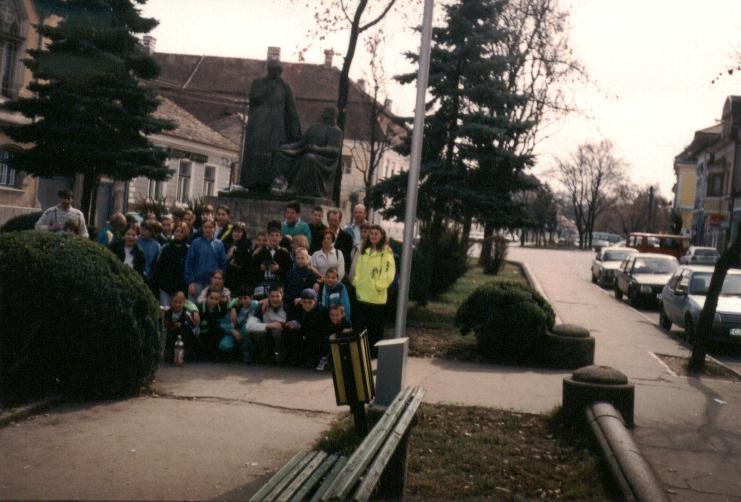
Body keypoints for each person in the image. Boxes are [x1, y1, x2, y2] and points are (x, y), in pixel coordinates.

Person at [240, 58, 301, 190]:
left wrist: (295, 132)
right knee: (256, 155)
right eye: (272, 70)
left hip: (276, 129)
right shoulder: (258, 83)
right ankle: (253, 183)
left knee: (274, 156)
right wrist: (270, 88)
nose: (275, 73)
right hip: (259, 127)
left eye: (277, 71)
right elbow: (254, 99)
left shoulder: (285, 87)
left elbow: (291, 110)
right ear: (268, 70)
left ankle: (271, 183)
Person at [281, 107, 342, 199]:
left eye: (329, 118)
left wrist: (317, 149)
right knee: (284, 155)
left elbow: (334, 150)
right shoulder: (314, 127)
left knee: (309, 158)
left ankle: (296, 186)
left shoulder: (336, 131)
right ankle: (279, 184)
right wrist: (288, 146)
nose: (326, 120)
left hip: (324, 161)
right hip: (305, 153)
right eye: (325, 117)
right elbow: (301, 142)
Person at [352, 225, 396, 354]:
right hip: (362, 296)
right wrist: (357, 282)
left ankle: (374, 355)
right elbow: (358, 270)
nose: (373, 236)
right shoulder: (365, 251)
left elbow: (388, 272)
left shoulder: (386, 252)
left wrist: (378, 286)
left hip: (376, 298)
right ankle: (362, 355)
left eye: (376, 234)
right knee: (362, 329)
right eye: (371, 234)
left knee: (375, 330)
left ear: (382, 236)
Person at [284, 289, 331, 368]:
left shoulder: (322, 311)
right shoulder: (297, 307)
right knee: (290, 330)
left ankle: (314, 359)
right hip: (304, 333)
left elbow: (323, 331)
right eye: (304, 302)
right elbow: (289, 319)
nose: (307, 305)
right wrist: (294, 323)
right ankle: (294, 357)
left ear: (315, 302)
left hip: (317, 338)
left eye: (310, 302)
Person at [184, 219, 227, 302]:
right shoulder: (195, 243)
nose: (208, 229)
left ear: (214, 228)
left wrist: (219, 283)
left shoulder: (219, 244)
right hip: (196, 282)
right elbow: (189, 263)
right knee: (194, 307)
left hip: (212, 284)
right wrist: (190, 282)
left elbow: (223, 265)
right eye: (205, 227)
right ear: (202, 228)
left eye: (210, 227)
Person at [252, 220, 292, 299]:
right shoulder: (259, 253)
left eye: (277, 235)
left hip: (278, 289)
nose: (274, 238)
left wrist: (278, 270)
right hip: (261, 288)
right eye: (272, 235)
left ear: (281, 238)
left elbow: (289, 274)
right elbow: (252, 272)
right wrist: (261, 269)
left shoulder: (285, 254)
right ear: (267, 237)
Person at [247, 285, 288, 363]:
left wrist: (281, 324)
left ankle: (281, 353)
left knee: (277, 330)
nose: (275, 299)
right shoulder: (262, 306)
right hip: (267, 335)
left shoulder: (287, 307)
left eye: (277, 296)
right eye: (272, 296)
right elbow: (249, 325)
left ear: (282, 295)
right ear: (268, 296)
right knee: (256, 332)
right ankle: (264, 352)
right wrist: (268, 325)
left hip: (282, 336)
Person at [153, 222, 190, 308]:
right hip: (165, 287)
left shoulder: (189, 250)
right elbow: (158, 268)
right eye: (177, 231)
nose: (179, 234)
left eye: (181, 232)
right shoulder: (166, 248)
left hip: (181, 288)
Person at [220, 289, 258, 363]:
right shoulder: (234, 307)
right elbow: (223, 324)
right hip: (235, 332)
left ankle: (247, 352)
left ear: (251, 297)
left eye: (245, 298)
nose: (243, 301)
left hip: (248, 333)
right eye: (240, 299)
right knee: (224, 345)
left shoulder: (255, 305)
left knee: (247, 327)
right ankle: (235, 353)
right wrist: (232, 330)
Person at [163, 291, 198, 363]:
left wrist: (181, 325)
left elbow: (192, 327)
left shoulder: (186, 313)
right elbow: (166, 326)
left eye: (180, 302)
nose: (177, 304)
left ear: (184, 303)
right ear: (171, 302)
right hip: (171, 338)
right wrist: (174, 326)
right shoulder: (167, 313)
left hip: (184, 339)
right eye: (175, 302)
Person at [284, 248, 321, 314]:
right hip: (293, 305)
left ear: (307, 259)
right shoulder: (290, 273)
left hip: (308, 306)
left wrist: (317, 282)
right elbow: (287, 289)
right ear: (295, 259)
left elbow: (321, 280)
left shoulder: (312, 272)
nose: (300, 260)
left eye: (302, 258)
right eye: (298, 258)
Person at [196, 289, 229, 361]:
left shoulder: (222, 308)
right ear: (206, 297)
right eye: (211, 298)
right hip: (201, 334)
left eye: (216, 299)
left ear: (219, 300)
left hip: (214, 334)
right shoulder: (199, 308)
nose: (213, 301)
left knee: (218, 329)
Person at [319, 304, 353, 371]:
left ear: (342, 314)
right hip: (329, 347)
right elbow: (325, 337)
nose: (334, 317)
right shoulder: (327, 323)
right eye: (332, 315)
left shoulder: (346, 323)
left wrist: (339, 334)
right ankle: (325, 359)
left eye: (337, 315)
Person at [225, 221, 253, 293]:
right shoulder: (226, 243)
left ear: (243, 233)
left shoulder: (246, 245)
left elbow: (247, 261)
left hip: (240, 279)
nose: (237, 234)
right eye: (235, 231)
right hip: (227, 277)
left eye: (239, 232)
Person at [327, 209, 353, 275]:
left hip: (339, 274)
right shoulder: (321, 235)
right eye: (331, 220)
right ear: (327, 220)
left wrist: (345, 274)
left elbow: (347, 259)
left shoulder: (347, 238)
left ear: (340, 220)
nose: (333, 223)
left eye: (336, 220)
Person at [138, 220, 162, 286]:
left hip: (147, 278)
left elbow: (155, 264)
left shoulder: (156, 246)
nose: (142, 232)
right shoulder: (136, 240)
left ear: (151, 231)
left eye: (145, 230)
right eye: (141, 229)